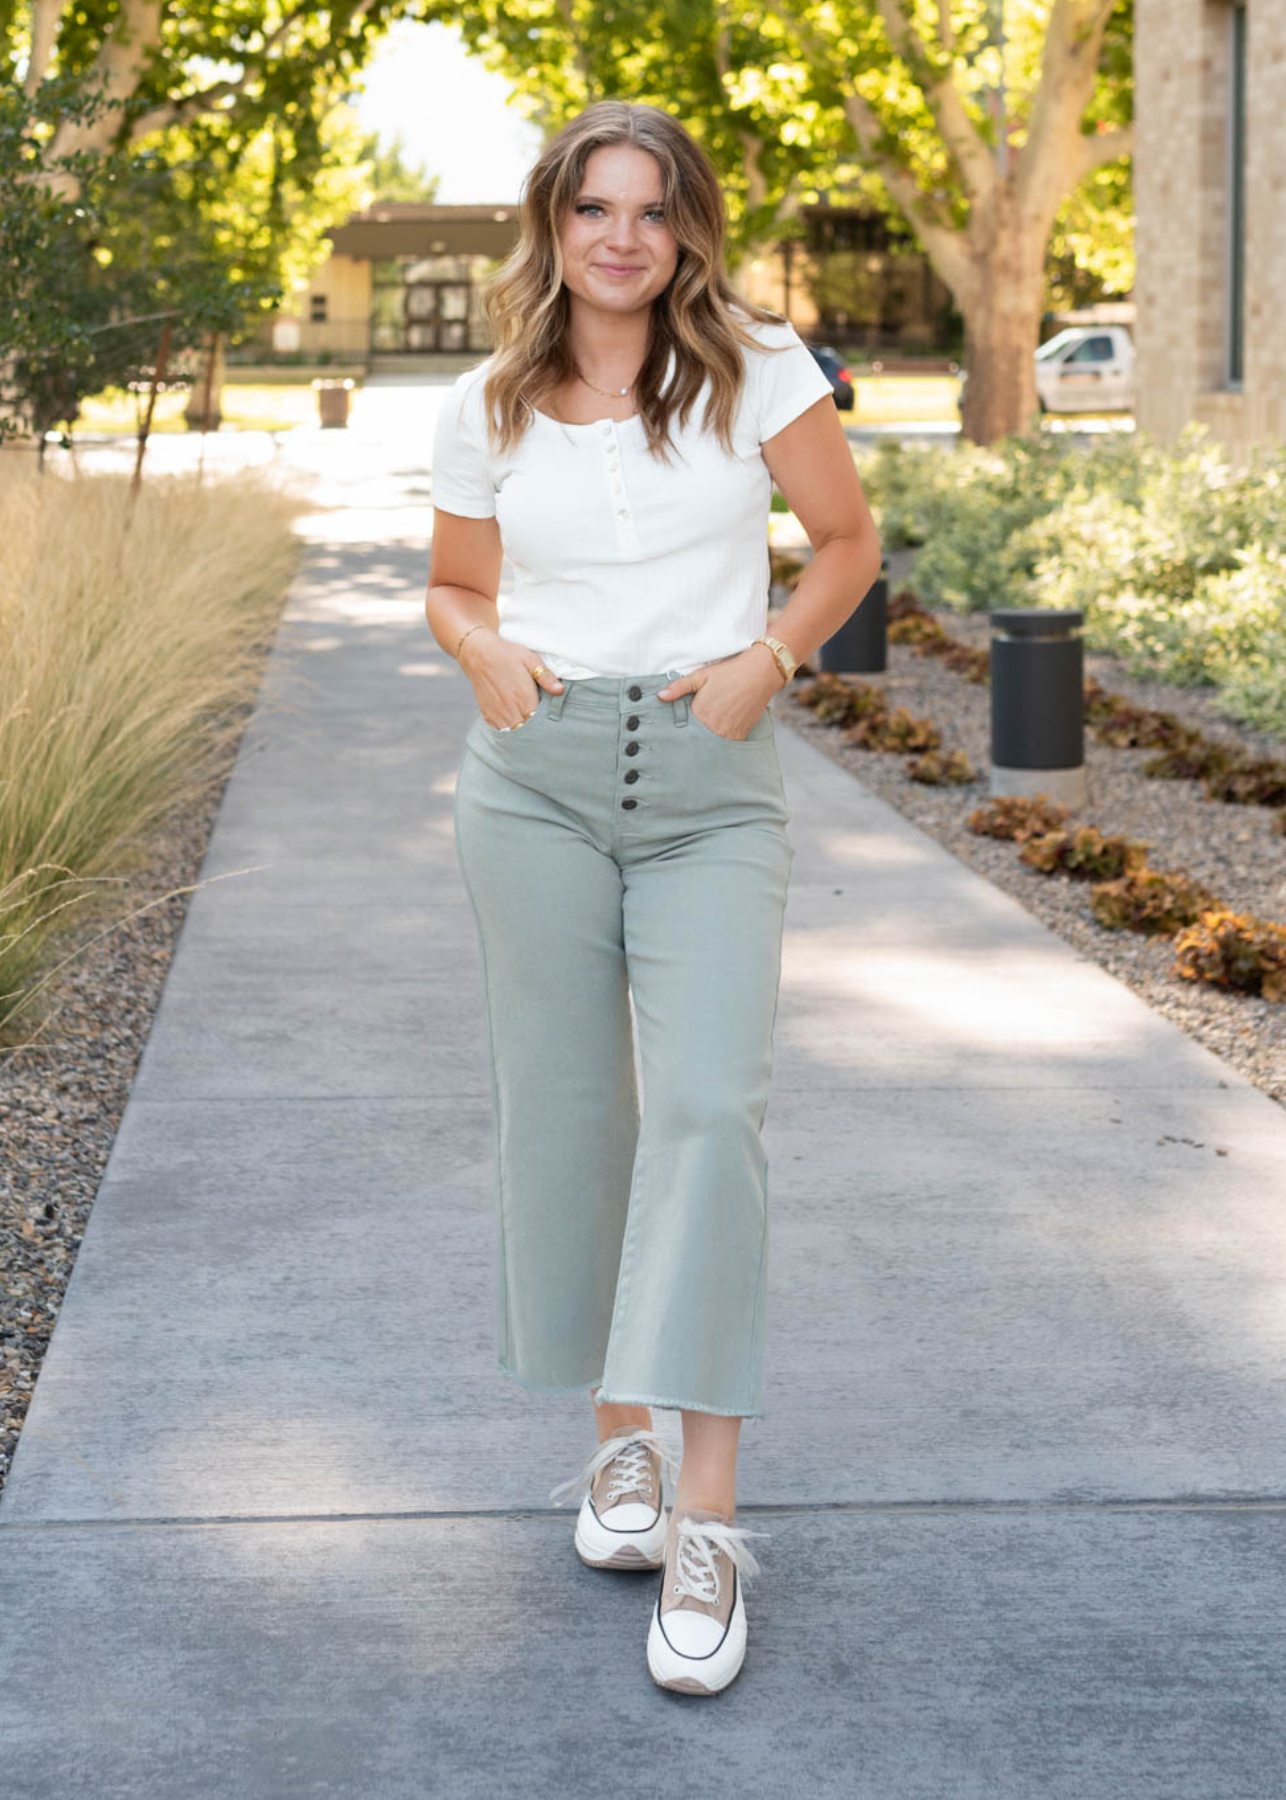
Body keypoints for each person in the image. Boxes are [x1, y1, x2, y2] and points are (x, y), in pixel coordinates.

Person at [425, 99, 880, 1696]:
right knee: (568, 1114)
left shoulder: (758, 368)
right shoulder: (487, 401)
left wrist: (765, 664)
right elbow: (454, 584)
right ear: (551, 223)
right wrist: (482, 653)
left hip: (706, 786)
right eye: (592, 208)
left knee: (703, 1114)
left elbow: (841, 543)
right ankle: (614, 1445)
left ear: (686, 226)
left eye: (651, 209)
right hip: (534, 782)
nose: (621, 237)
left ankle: (707, 1523)